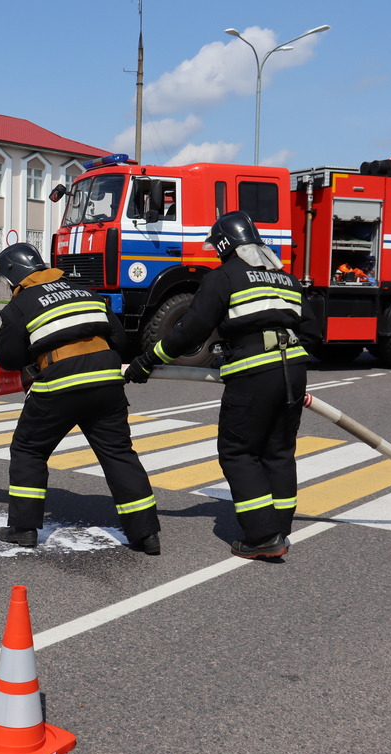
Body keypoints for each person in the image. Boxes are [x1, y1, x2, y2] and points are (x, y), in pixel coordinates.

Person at [125, 211, 321, 560]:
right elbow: (313, 332)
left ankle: (262, 538)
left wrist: (148, 359)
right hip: (293, 371)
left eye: (217, 247)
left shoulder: (224, 277)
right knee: (278, 452)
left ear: (225, 245)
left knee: (238, 452)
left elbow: (190, 330)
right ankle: (279, 528)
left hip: (253, 374)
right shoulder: (286, 279)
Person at [0, 242, 161, 554]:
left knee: (29, 449)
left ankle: (23, 529)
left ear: (14, 275)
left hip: (61, 383)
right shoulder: (85, 292)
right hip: (107, 382)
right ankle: (146, 535)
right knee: (118, 454)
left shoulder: (20, 304)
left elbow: (8, 357)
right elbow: (120, 339)